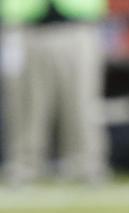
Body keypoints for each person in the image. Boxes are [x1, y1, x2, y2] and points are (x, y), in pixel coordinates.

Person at [0, 0, 109, 185]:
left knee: (80, 104)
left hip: (77, 25)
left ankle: (86, 166)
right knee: (26, 106)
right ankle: (24, 166)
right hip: (25, 27)